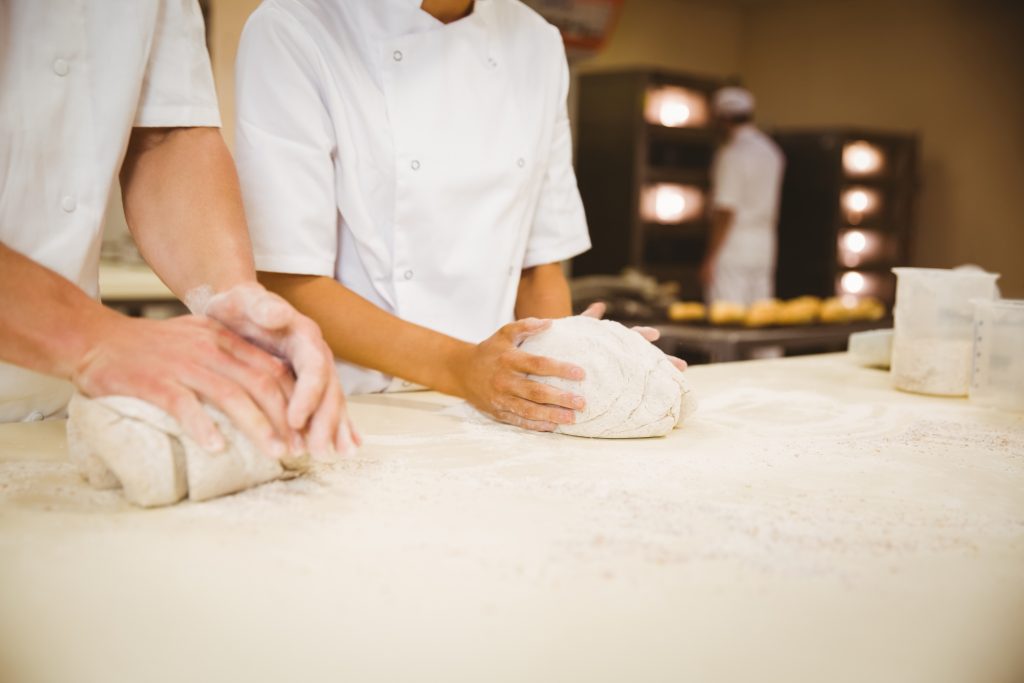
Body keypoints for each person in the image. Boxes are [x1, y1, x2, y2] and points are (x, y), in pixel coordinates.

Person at [233, 0, 679, 433]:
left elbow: (537, 268)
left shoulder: (537, 41)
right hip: (351, 406)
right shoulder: (295, 25)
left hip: (495, 407)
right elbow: (288, 281)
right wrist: (463, 368)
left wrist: (565, 360)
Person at [0, 1, 356, 458]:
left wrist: (234, 296)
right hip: (81, 353)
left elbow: (168, 135)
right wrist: (93, 337)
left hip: (58, 407)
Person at [700, 86, 786, 306]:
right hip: (765, 241)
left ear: (723, 119)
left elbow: (726, 210)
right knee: (761, 310)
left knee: (728, 310)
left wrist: (711, 257)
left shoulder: (732, 154)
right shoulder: (772, 151)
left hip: (735, 241)